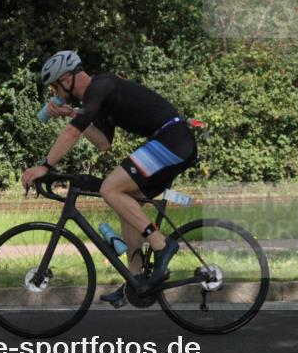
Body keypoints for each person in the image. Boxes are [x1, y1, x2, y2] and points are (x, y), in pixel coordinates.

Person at [21, 50, 198, 303]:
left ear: (68, 79)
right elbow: (103, 142)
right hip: (169, 142)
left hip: (172, 140)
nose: (55, 94)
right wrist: (73, 114)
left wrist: (45, 166)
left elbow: (72, 134)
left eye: (54, 86)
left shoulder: (100, 86)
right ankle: (136, 282)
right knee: (125, 203)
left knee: (110, 189)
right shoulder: (96, 99)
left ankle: (161, 244)